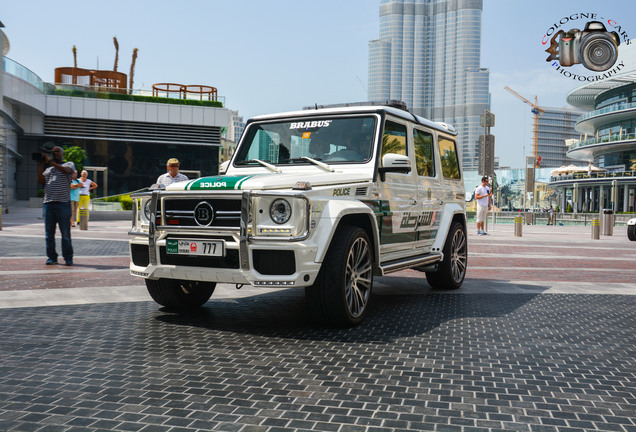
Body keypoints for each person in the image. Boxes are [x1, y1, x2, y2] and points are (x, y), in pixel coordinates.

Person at [37, 146, 75, 265]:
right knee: (49, 234)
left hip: (63, 204)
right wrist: (42, 164)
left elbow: (67, 171)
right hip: (48, 204)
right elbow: (41, 181)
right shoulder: (49, 169)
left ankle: (68, 257)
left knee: (65, 233)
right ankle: (52, 257)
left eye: (58, 151)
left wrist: (50, 162)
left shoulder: (69, 164)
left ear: (63, 154)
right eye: (53, 152)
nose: (55, 153)